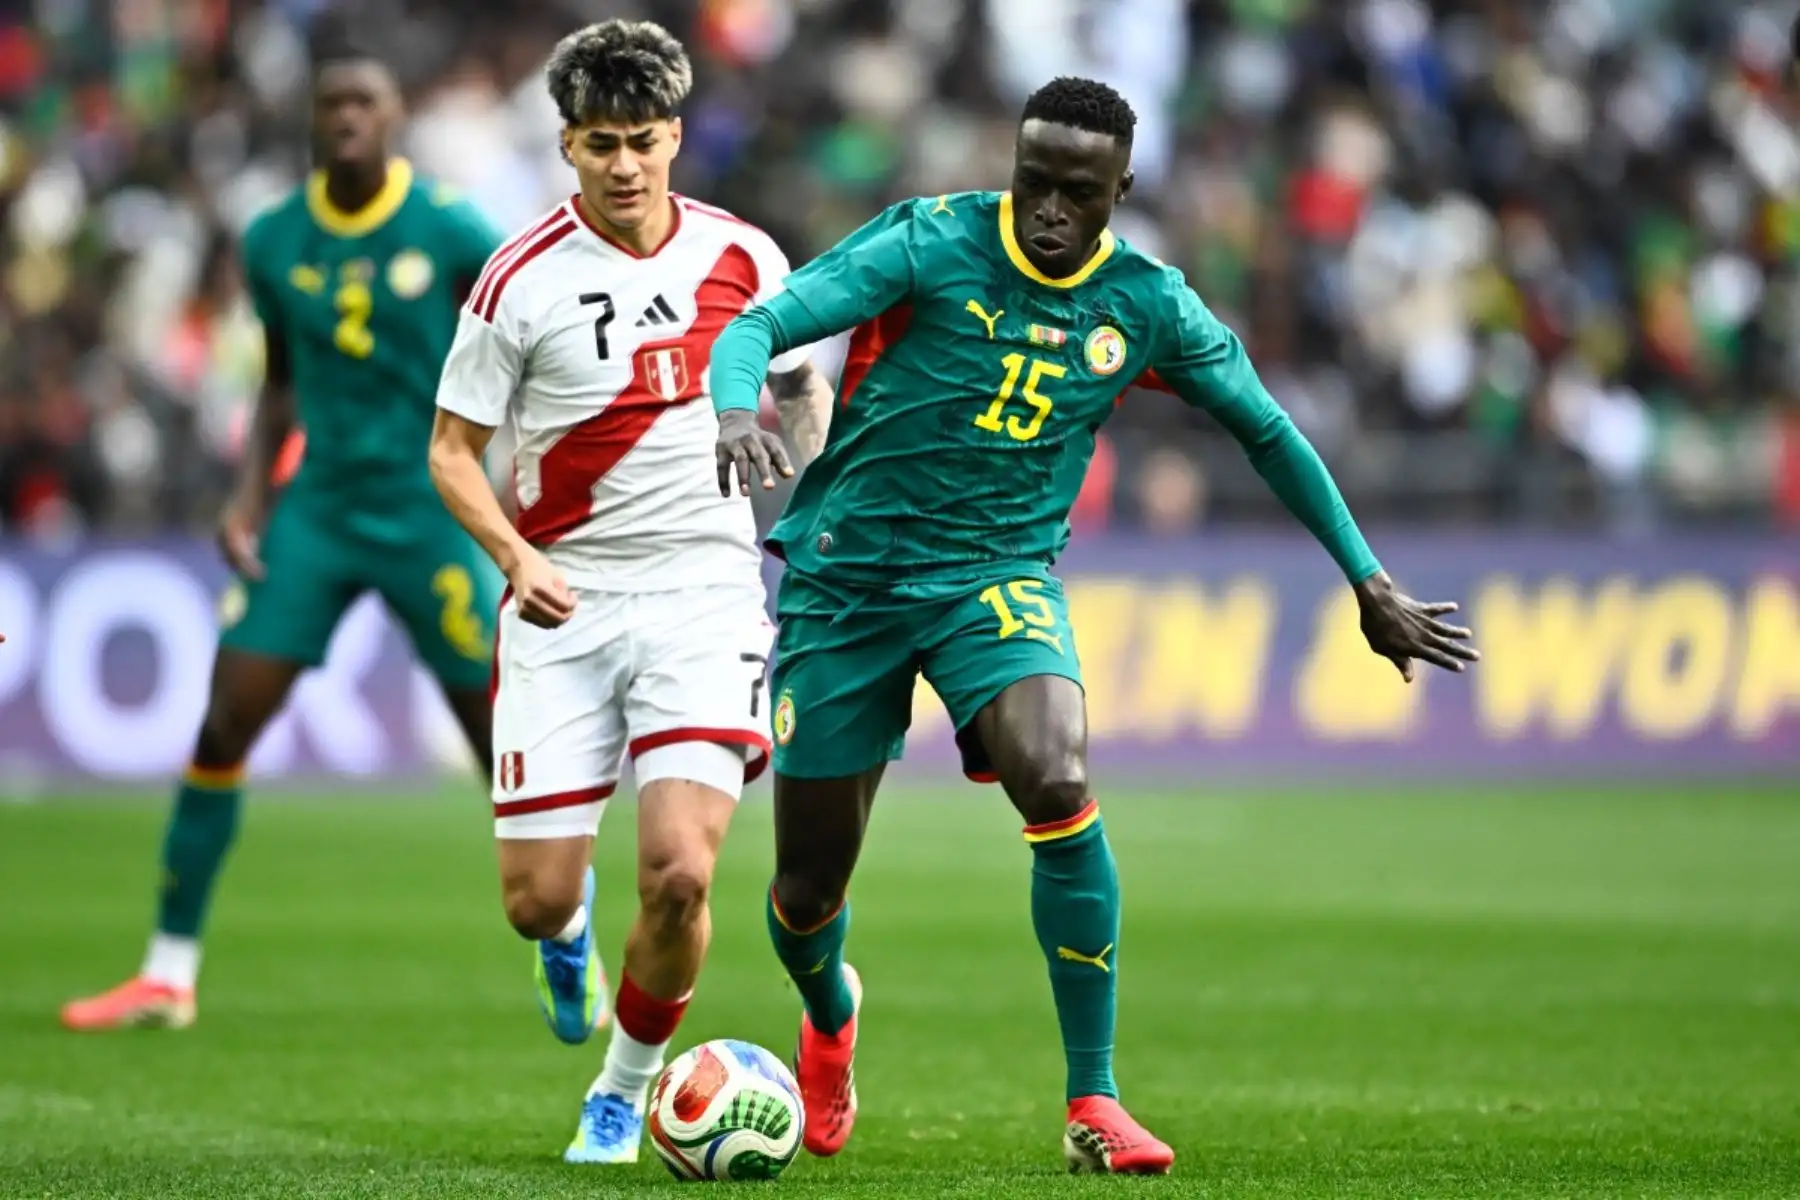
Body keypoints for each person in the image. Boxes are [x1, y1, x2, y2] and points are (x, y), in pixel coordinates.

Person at [710, 77, 1480, 1174]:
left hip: (996, 576)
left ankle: (1094, 1099)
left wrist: (1368, 579)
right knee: (804, 893)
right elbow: (761, 325)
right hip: (848, 582)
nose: (1051, 212)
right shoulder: (928, 243)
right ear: (1012, 168)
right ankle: (830, 1011)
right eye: (1035, 183)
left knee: (1058, 775)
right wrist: (737, 410)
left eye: (1080, 192)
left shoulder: (1148, 304)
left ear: (1122, 189)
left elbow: (1267, 430)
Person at [427, 20, 832, 1167]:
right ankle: (566, 934)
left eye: (642, 141)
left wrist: (791, 479)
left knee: (681, 873)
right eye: (599, 143)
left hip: (704, 591)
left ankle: (623, 1088)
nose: (622, 165)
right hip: (567, 597)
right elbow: (452, 450)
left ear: (676, 138)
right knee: (534, 898)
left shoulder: (744, 259)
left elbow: (804, 388)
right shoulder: (518, 281)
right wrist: (516, 557)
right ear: (566, 145)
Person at [62, 35, 510, 1032]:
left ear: (394, 121)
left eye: (366, 102)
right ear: (314, 118)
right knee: (225, 721)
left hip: (428, 509)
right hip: (314, 510)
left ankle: (573, 949)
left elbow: (521, 335)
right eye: (334, 102)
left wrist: (506, 461)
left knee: (502, 749)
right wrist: (245, 500)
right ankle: (167, 973)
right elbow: (277, 383)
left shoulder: (448, 230)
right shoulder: (271, 240)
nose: (348, 116)